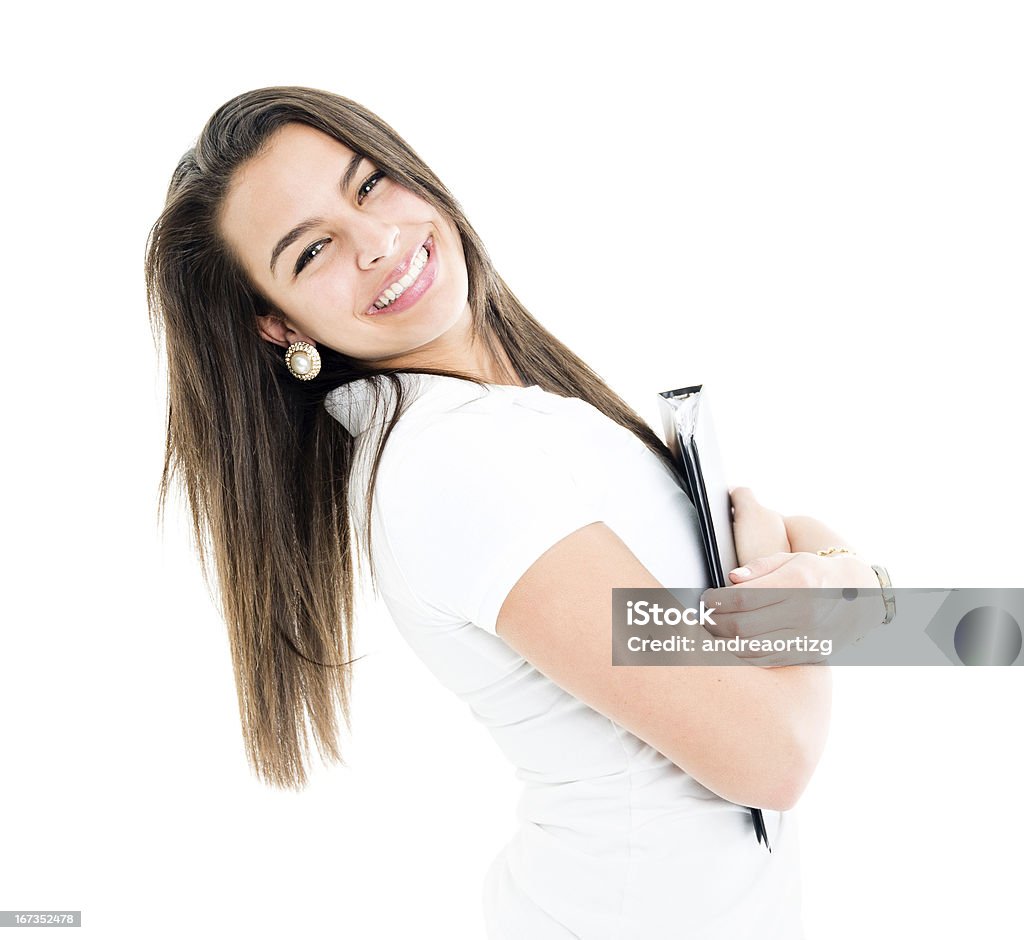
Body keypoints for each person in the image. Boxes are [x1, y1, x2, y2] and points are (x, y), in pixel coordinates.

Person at [146, 86, 886, 938]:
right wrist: (818, 606)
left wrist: (841, 579)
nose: (380, 243)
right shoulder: (453, 466)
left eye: (370, 185)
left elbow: (824, 599)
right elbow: (771, 758)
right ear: (277, 325)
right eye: (314, 251)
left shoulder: (512, 419)